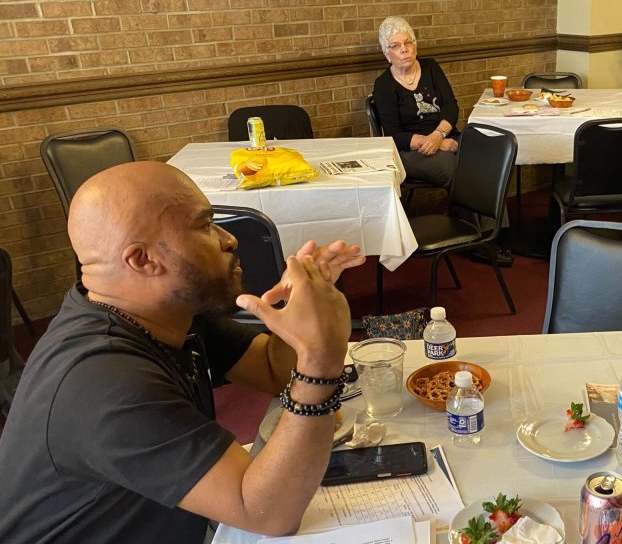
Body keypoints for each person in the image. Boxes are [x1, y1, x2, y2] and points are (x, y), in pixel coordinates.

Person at [0, 161, 367, 544]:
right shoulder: (102, 381)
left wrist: (301, 309)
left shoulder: (157, 311)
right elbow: (267, 513)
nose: (229, 239)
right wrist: (319, 362)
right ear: (142, 260)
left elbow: (273, 370)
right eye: (205, 225)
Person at [373, 15, 459, 189]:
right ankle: (466, 216)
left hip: (446, 136)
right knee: (459, 170)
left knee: (491, 160)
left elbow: (451, 107)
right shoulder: (383, 85)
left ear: (415, 46)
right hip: (410, 151)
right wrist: (436, 143)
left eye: (408, 42)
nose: (404, 49)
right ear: (387, 54)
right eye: (395, 46)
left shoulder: (431, 68)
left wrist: (438, 136)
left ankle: (476, 216)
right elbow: (394, 135)